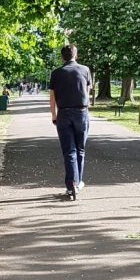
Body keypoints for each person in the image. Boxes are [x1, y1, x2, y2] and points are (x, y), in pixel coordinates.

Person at [49, 44, 92, 200]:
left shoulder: (56, 73)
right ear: (76, 55)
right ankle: (78, 182)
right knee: (80, 149)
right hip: (81, 112)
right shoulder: (85, 70)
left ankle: (71, 184)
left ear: (62, 57)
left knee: (69, 151)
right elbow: (87, 92)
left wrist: (54, 115)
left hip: (64, 113)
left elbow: (52, 96)